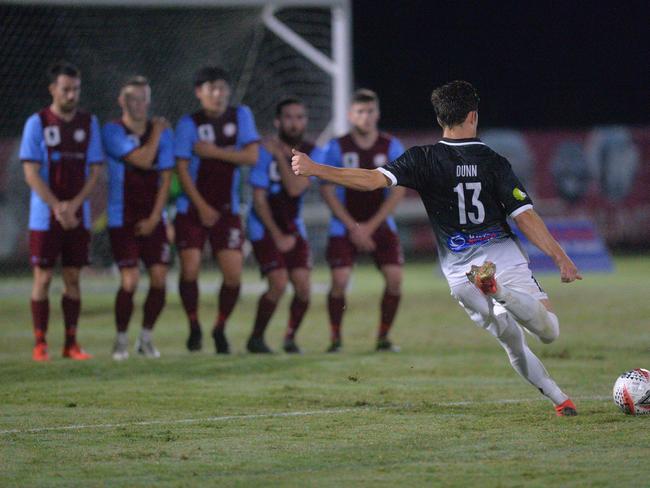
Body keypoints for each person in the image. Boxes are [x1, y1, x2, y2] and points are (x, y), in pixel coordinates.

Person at [290, 80, 581, 416]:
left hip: (461, 274)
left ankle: (561, 400)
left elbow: (370, 180)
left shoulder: (422, 158)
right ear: (473, 115)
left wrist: (315, 169)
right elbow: (525, 216)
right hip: (501, 258)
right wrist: (561, 258)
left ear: (441, 119)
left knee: (511, 341)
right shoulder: (493, 161)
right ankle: (500, 291)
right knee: (549, 332)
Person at [20, 61, 104, 361]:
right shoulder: (37, 123)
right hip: (45, 216)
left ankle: (71, 344)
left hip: (77, 215)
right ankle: (40, 343)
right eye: (66, 89)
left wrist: (74, 205)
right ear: (53, 89)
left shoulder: (88, 123)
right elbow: (31, 173)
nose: (71, 95)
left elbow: (94, 170)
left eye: (76, 89)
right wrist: (58, 207)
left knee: (73, 277)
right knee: (42, 278)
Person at [174, 66, 260, 354]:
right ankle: (194, 325)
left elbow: (252, 156)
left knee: (234, 275)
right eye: (212, 88)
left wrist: (215, 152)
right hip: (192, 209)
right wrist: (201, 206)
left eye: (222, 88)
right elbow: (182, 169)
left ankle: (220, 327)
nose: (218, 94)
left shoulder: (241, 116)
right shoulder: (189, 123)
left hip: (228, 209)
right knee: (190, 269)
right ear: (200, 93)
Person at [319, 89, 406, 352]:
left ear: (377, 114)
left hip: (379, 224)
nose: (365, 117)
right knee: (340, 281)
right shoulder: (336, 146)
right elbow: (326, 188)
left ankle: (383, 337)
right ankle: (335, 339)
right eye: (360, 112)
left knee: (395, 279)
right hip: (344, 226)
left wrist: (370, 226)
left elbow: (399, 189)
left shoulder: (390, 145)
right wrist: (353, 226)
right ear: (350, 115)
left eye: (369, 111)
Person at [103, 76, 174, 360]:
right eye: (133, 98)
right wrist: (156, 130)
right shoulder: (112, 131)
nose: (140, 104)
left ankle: (145, 338)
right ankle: (120, 340)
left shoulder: (164, 135)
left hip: (153, 218)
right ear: (122, 101)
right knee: (130, 281)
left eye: (144, 98)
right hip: (122, 217)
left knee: (159, 279)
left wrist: (156, 217)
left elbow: (166, 178)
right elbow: (144, 160)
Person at [246, 98, 322, 354]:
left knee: (303, 287)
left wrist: (280, 155)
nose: (294, 122)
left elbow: (296, 187)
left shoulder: (311, 150)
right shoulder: (261, 151)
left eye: (300, 117)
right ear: (278, 121)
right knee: (277, 283)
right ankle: (256, 338)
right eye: (289, 117)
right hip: (263, 226)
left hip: (292, 225)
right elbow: (258, 199)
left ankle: (289, 338)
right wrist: (276, 235)